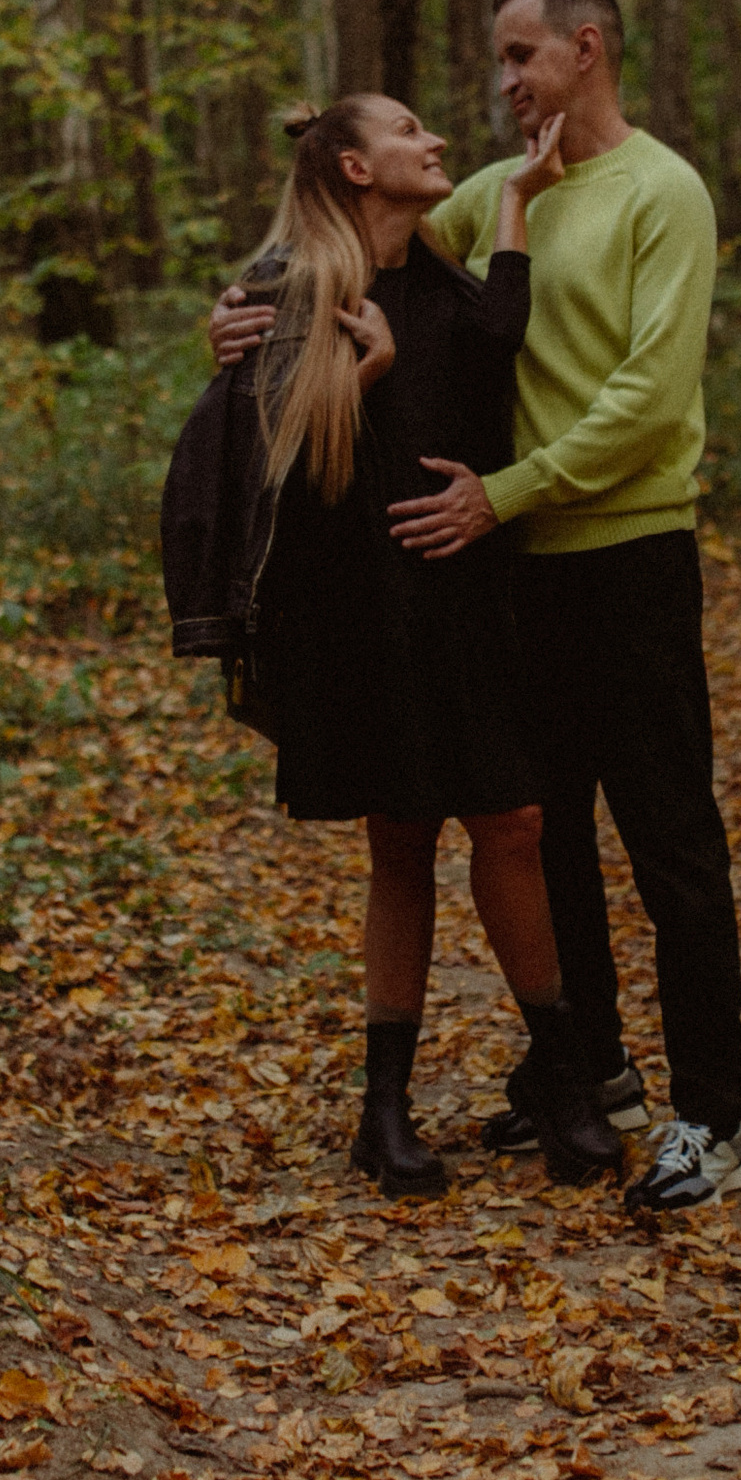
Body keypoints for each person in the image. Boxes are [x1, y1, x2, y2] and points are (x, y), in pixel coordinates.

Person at [212, 0, 741, 1215]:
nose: (504, 85)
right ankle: (595, 1068)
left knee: (669, 839)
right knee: (541, 829)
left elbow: (650, 398)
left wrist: (504, 491)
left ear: (586, 47)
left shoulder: (661, 193)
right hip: (517, 570)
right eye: (498, 62)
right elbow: (343, 236)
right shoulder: (496, 198)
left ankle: (712, 1117)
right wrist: (241, 312)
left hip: (623, 550)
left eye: (523, 58)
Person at [164, 95, 621, 1203]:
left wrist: (515, 198)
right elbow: (255, 461)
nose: (434, 141)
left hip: (463, 598)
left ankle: (565, 1079)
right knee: (401, 840)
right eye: (408, 130)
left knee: (512, 820)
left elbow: (499, 338)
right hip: (356, 608)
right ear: (358, 168)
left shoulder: (441, 274)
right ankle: (385, 1109)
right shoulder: (287, 291)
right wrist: (355, 378)